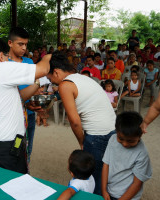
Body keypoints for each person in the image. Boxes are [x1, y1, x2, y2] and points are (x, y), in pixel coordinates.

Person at [0, 37, 51, 174]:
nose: (8, 59)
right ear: (0, 56)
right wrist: (48, 56)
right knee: (16, 185)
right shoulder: (0, 68)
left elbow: (19, 97)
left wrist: (37, 84)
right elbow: (43, 69)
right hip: (6, 147)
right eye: (7, 56)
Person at [47, 51, 116, 195]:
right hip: (112, 129)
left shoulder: (65, 85)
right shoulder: (81, 77)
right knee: (106, 171)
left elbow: (74, 121)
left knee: (93, 178)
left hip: (97, 134)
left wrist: (82, 142)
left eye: (51, 79)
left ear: (57, 72)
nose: (53, 83)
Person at [8, 27, 41, 164]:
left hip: (29, 114)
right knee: (15, 146)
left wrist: (37, 99)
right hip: (12, 116)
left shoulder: (29, 62)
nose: (24, 48)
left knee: (28, 147)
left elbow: (34, 87)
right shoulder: (3, 63)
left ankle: (25, 170)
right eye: (20, 44)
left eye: (26, 44)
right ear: (10, 43)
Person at [102, 111, 152, 200]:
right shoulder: (112, 139)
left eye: (130, 141)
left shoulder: (142, 153)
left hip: (129, 197)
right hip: (109, 192)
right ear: (116, 131)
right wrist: (104, 190)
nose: (125, 144)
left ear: (140, 135)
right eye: (120, 138)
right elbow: (106, 165)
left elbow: (137, 184)